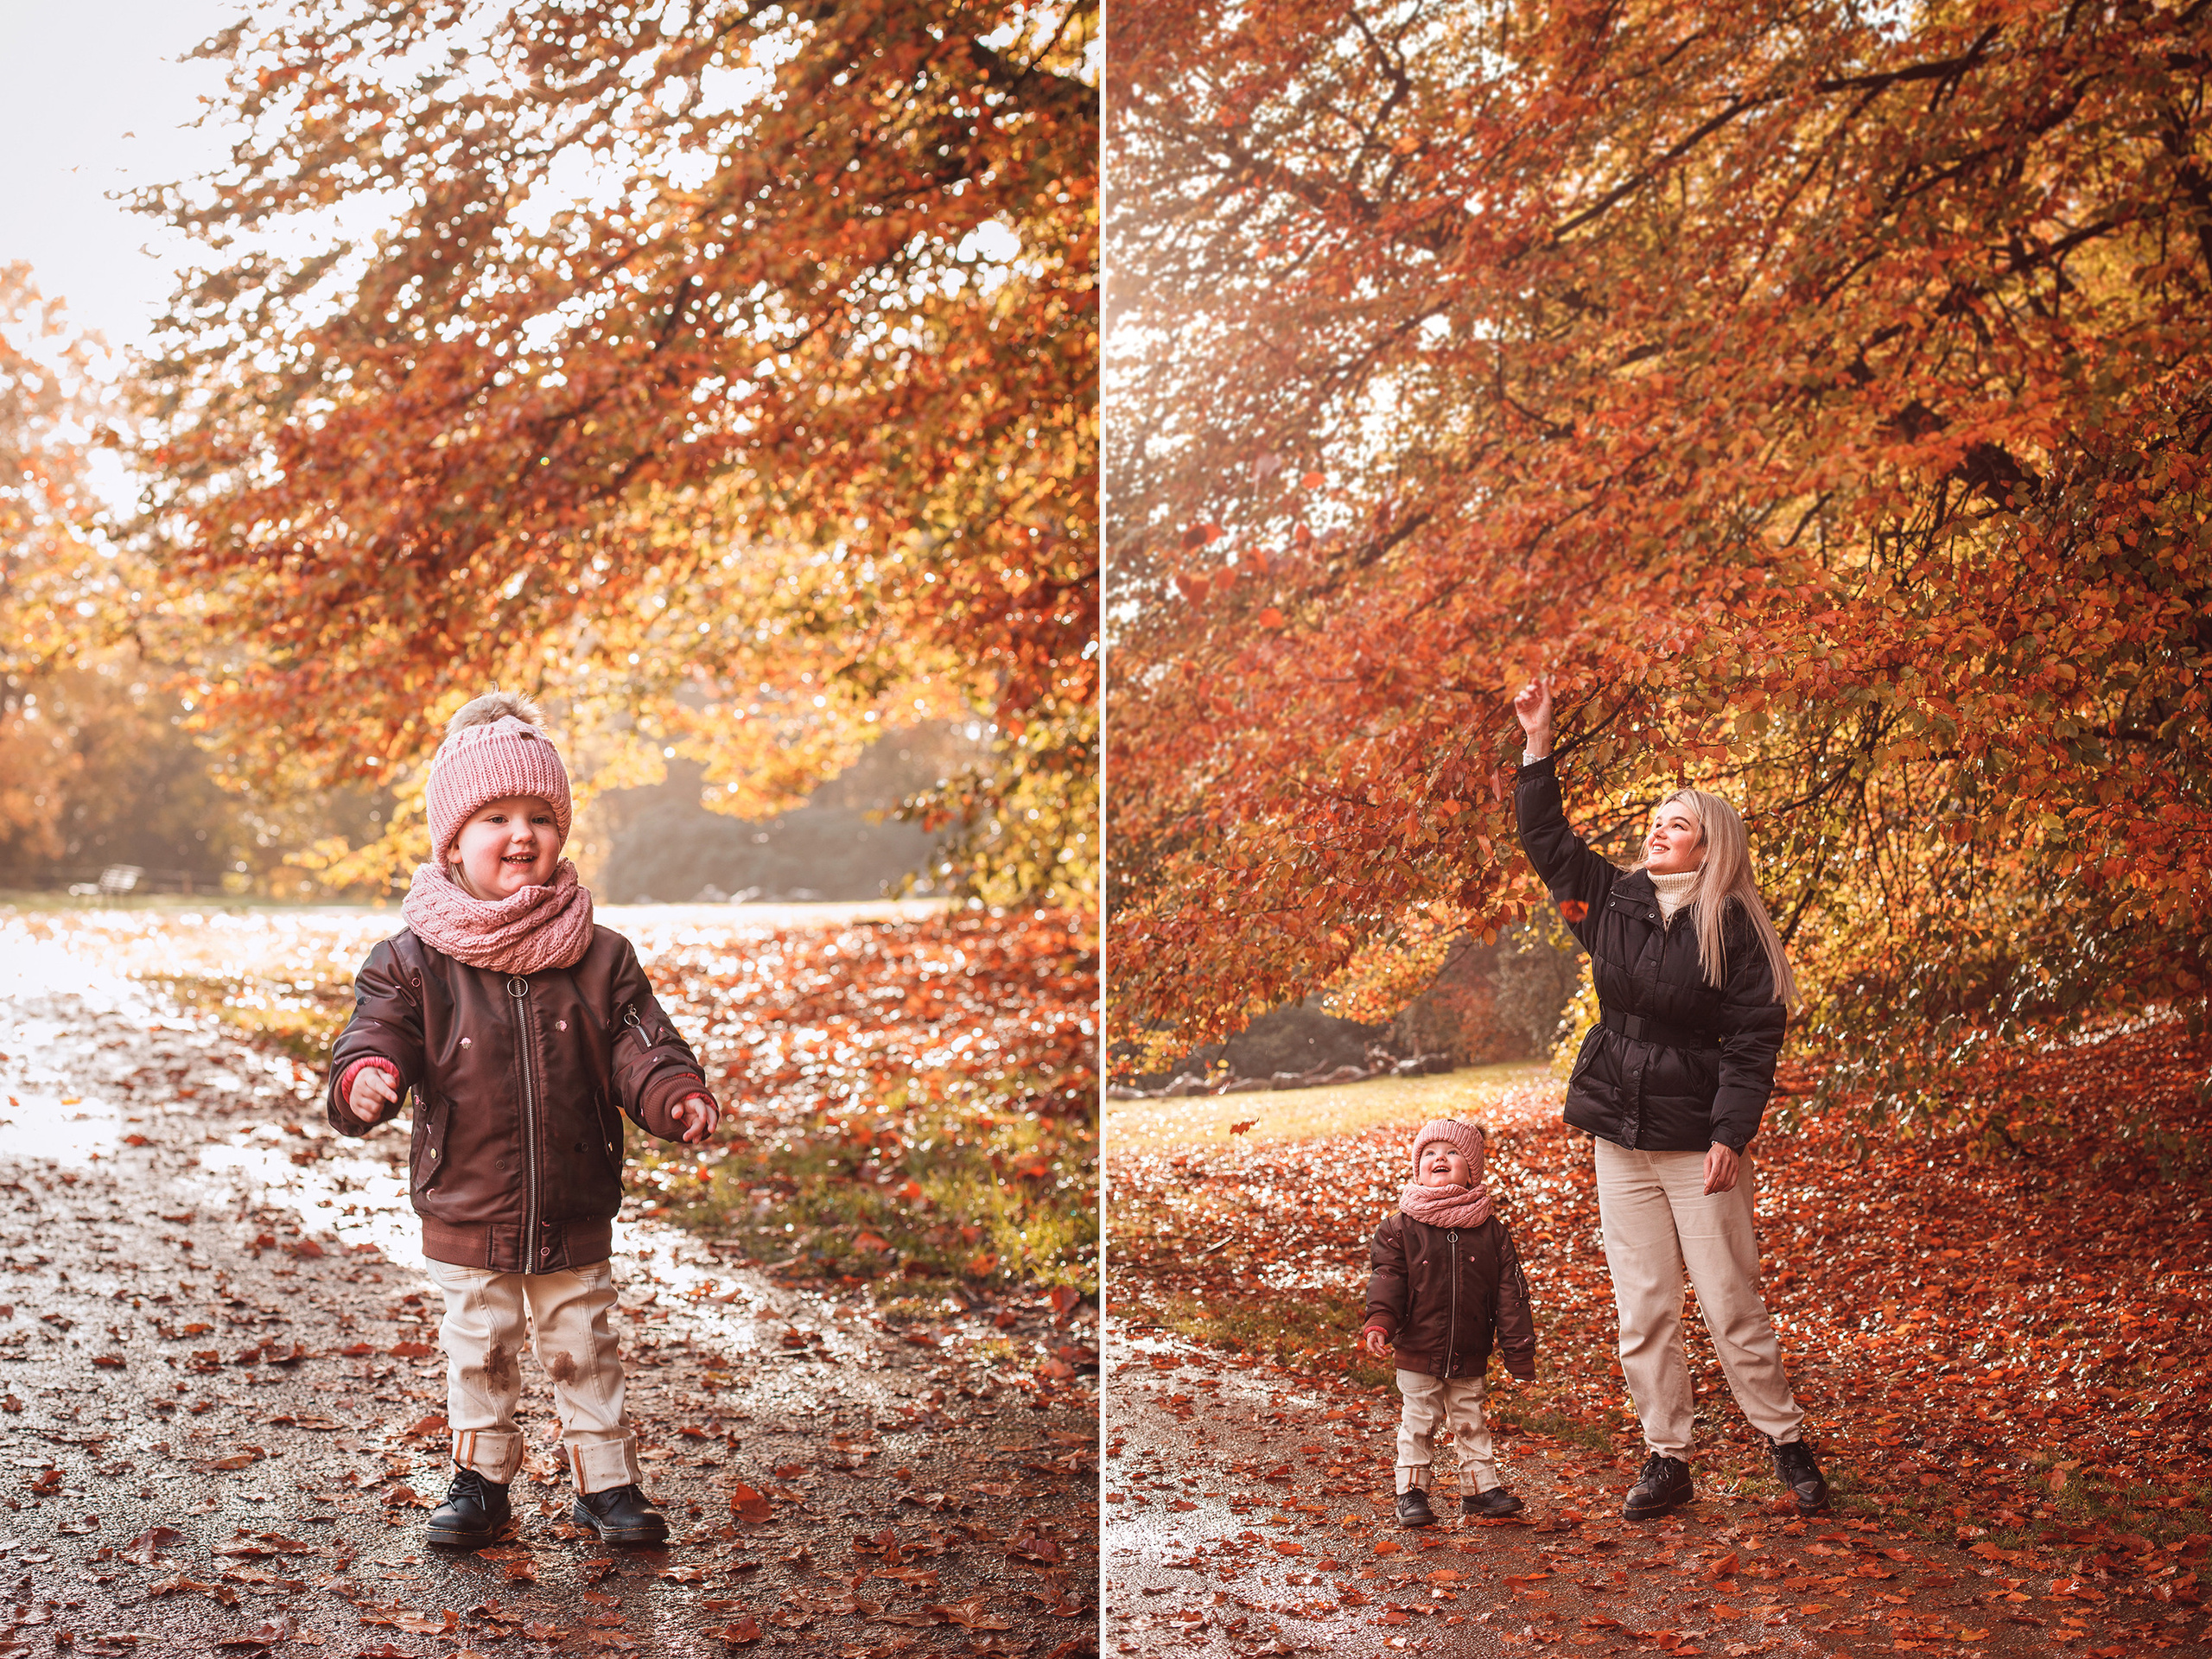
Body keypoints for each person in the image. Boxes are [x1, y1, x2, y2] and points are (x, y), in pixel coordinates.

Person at [325, 691, 721, 1549]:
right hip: (468, 1197)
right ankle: (480, 1479)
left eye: (541, 817)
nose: (522, 835)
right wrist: (368, 1075)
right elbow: (376, 1031)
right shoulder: (413, 961)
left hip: (573, 1197)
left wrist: (673, 1092)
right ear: (452, 841)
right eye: (496, 817)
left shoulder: (599, 954)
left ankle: (607, 1483)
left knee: (584, 1343)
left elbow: (640, 1044)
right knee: (482, 1346)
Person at [1510, 678, 1828, 1519]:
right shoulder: (1606, 903)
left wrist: (1730, 1134)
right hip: (1619, 1135)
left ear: (1710, 847)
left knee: (1729, 1301)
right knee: (1644, 1308)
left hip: (1698, 1144)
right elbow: (1547, 841)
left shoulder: (1735, 928)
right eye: (1655, 819)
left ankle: (1786, 1442)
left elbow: (1753, 1042)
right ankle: (1666, 1457)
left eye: (1677, 823)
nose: (1657, 830)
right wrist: (1537, 743)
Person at [1361, 1118, 1536, 1527]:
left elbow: (1511, 1295)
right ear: (1417, 1167)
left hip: (1470, 1347)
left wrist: (1519, 1351)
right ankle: (1411, 1491)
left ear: (1472, 1169)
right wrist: (1380, 1322)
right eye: (1429, 1153)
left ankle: (1479, 1488)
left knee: (1471, 1420)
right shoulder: (1400, 1228)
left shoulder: (1490, 1231)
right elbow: (1388, 1279)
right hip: (1418, 1346)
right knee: (1419, 1421)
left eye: (1452, 1152)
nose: (1440, 1158)